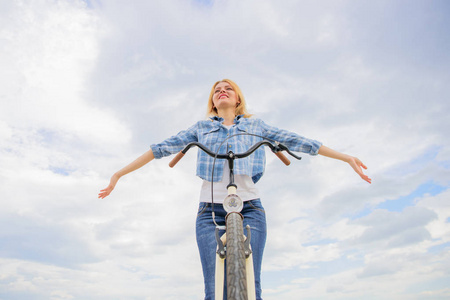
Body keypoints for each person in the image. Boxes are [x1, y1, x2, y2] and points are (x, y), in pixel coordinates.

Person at [98, 79, 371, 300]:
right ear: (213, 102)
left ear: (237, 98)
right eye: (216, 90)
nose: (222, 91)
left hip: (250, 206)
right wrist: (118, 174)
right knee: (214, 290)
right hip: (209, 210)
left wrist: (345, 157)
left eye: (227, 88)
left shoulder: (256, 125)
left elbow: (297, 140)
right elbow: (160, 148)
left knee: (252, 284)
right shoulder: (202, 128)